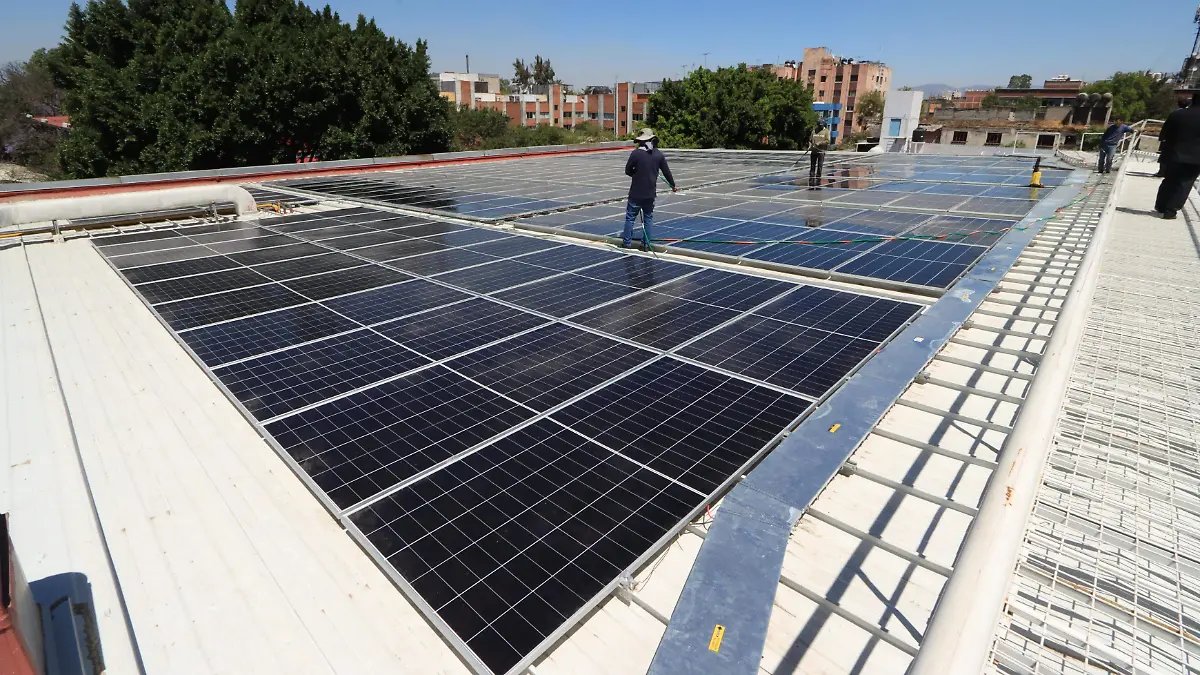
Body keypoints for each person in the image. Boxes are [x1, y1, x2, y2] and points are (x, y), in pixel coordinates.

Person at [623, 128, 677, 249]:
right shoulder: (658, 154)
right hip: (650, 194)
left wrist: (636, 174)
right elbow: (667, 172)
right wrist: (673, 185)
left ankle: (627, 243)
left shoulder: (635, 153)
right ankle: (646, 244)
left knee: (630, 218)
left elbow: (627, 170)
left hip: (635, 193)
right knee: (648, 219)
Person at [1155, 91, 1200, 220]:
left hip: (1173, 154)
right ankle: (1170, 211)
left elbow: (1164, 135)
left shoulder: (1177, 114)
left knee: (1169, 180)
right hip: (1196, 159)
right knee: (1184, 184)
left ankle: (1160, 206)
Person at [1156, 99, 1189, 177]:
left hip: (1170, 138)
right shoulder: (1188, 114)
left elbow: (1166, 125)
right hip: (1181, 139)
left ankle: (1162, 172)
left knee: (1165, 155)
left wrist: (1162, 136)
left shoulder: (1175, 113)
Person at [809, 120, 831, 188]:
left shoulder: (826, 131)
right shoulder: (814, 131)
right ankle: (811, 179)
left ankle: (818, 179)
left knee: (819, 166)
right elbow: (810, 140)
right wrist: (810, 146)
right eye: (819, 125)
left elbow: (828, 141)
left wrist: (820, 143)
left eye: (821, 125)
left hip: (821, 151)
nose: (820, 126)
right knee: (812, 166)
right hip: (814, 151)